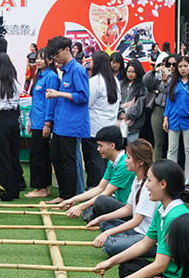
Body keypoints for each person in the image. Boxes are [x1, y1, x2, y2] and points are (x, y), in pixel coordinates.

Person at [94, 159, 189, 278]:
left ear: (163, 184)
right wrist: (111, 262)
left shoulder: (175, 217)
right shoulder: (162, 209)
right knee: (127, 267)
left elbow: (160, 264)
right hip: (166, 272)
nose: (146, 185)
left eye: (149, 180)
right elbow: (144, 244)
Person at [86, 139, 158, 257]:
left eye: (129, 158)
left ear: (140, 162)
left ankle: (127, 242)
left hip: (148, 237)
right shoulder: (137, 179)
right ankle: (125, 240)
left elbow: (136, 221)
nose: (125, 160)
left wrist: (108, 233)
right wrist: (100, 219)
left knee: (110, 246)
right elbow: (128, 209)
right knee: (105, 223)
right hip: (138, 230)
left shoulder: (148, 186)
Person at [45, 36, 90, 203]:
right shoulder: (64, 70)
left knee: (68, 161)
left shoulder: (77, 70)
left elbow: (83, 96)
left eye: (57, 54)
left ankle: (70, 197)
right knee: (56, 157)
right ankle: (63, 194)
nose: (55, 58)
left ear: (67, 50)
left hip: (72, 125)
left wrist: (58, 94)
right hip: (61, 124)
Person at [60, 126, 135, 221]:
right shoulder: (112, 162)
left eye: (100, 146)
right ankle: (93, 214)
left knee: (101, 200)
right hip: (118, 202)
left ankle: (93, 215)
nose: (98, 149)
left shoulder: (124, 164)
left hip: (128, 208)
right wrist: (73, 200)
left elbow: (106, 193)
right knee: (92, 190)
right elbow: (99, 188)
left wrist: (81, 207)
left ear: (112, 146)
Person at [0, 53, 26, 201]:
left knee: (2, 158)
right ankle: (15, 189)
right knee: (14, 156)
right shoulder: (15, 84)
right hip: (13, 121)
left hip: (1, 122)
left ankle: (5, 192)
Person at [83, 51, 120, 189]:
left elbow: (87, 103)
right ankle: (106, 188)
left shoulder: (94, 81)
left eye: (91, 61)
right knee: (106, 161)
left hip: (94, 127)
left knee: (94, 160)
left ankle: (94, 187)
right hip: (109, 125)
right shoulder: (114, 80)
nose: (89, 63)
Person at [26, 48, 59, 198]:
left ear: (50, 60)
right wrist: (31, 120)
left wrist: (47, 123)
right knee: (37, 154)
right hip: (36, 121)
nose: (38, 61)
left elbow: (50, 101)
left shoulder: (51, 77)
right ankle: (43, 186)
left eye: (41, 58)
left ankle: (41, 188)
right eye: (37, 58)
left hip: (43, 122)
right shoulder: (40, 75)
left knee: (39, 155)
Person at [164, 56, 189, 178]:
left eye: (185, 66)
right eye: (180, 66)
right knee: (172, 149)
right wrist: (165, 118)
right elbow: (169, 102)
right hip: (174, 119)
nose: (183, 69)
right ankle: (170, 177)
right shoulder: (173, 82)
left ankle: (188, 178)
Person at [143, 55, 176, 161]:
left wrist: (166, 82)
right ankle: (155, 166)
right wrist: (154, 71)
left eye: (174, 64)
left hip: (174, 110)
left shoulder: (180, 78)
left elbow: (170, 92)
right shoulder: (160, 75)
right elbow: (146, 82)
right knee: (158, 141)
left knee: (173, 143)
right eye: (168, 64)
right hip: (159, 108)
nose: (171, 67)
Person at [119, 60, 148, 143]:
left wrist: (129, 115)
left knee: (132, 147)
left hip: (135, 123)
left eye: (133, 72)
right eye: (128, 71)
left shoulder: (142, 86)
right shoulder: (121, 84)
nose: (130, 74)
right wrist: (120, 113)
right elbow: (116, 100)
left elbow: (140, 104)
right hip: (120, 121)